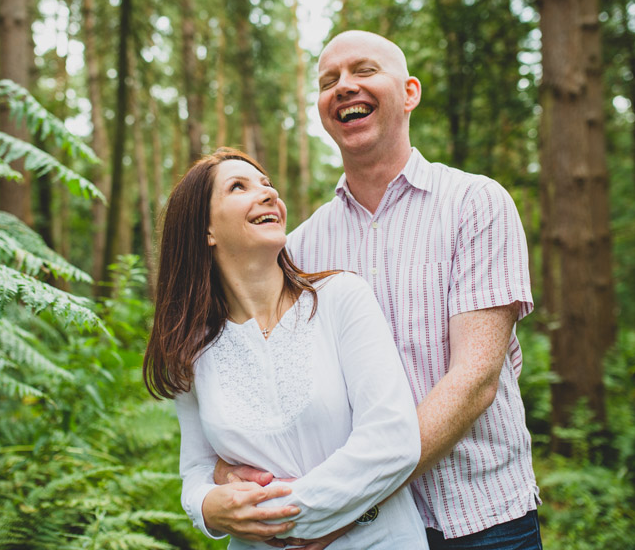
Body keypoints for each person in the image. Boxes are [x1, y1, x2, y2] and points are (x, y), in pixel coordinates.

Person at [207, 30, 542, 549]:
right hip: (359, 537)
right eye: (328, 81)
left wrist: (350, 497)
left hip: (481, 519)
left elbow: (475, 380)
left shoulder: (476, 203)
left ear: (409, 93)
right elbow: (269, 384)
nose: (343, 86)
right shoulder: (298, 247)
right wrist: (225, 477)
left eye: (363, 71)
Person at [143, 149, 430, 549]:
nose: (267, 194)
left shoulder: (341, 299)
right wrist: (208, 507)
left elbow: (393, 441)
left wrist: (287, 514)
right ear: (205, 230)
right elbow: (197, 470)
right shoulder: (190, 349)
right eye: (238, 187)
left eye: (267, 185)